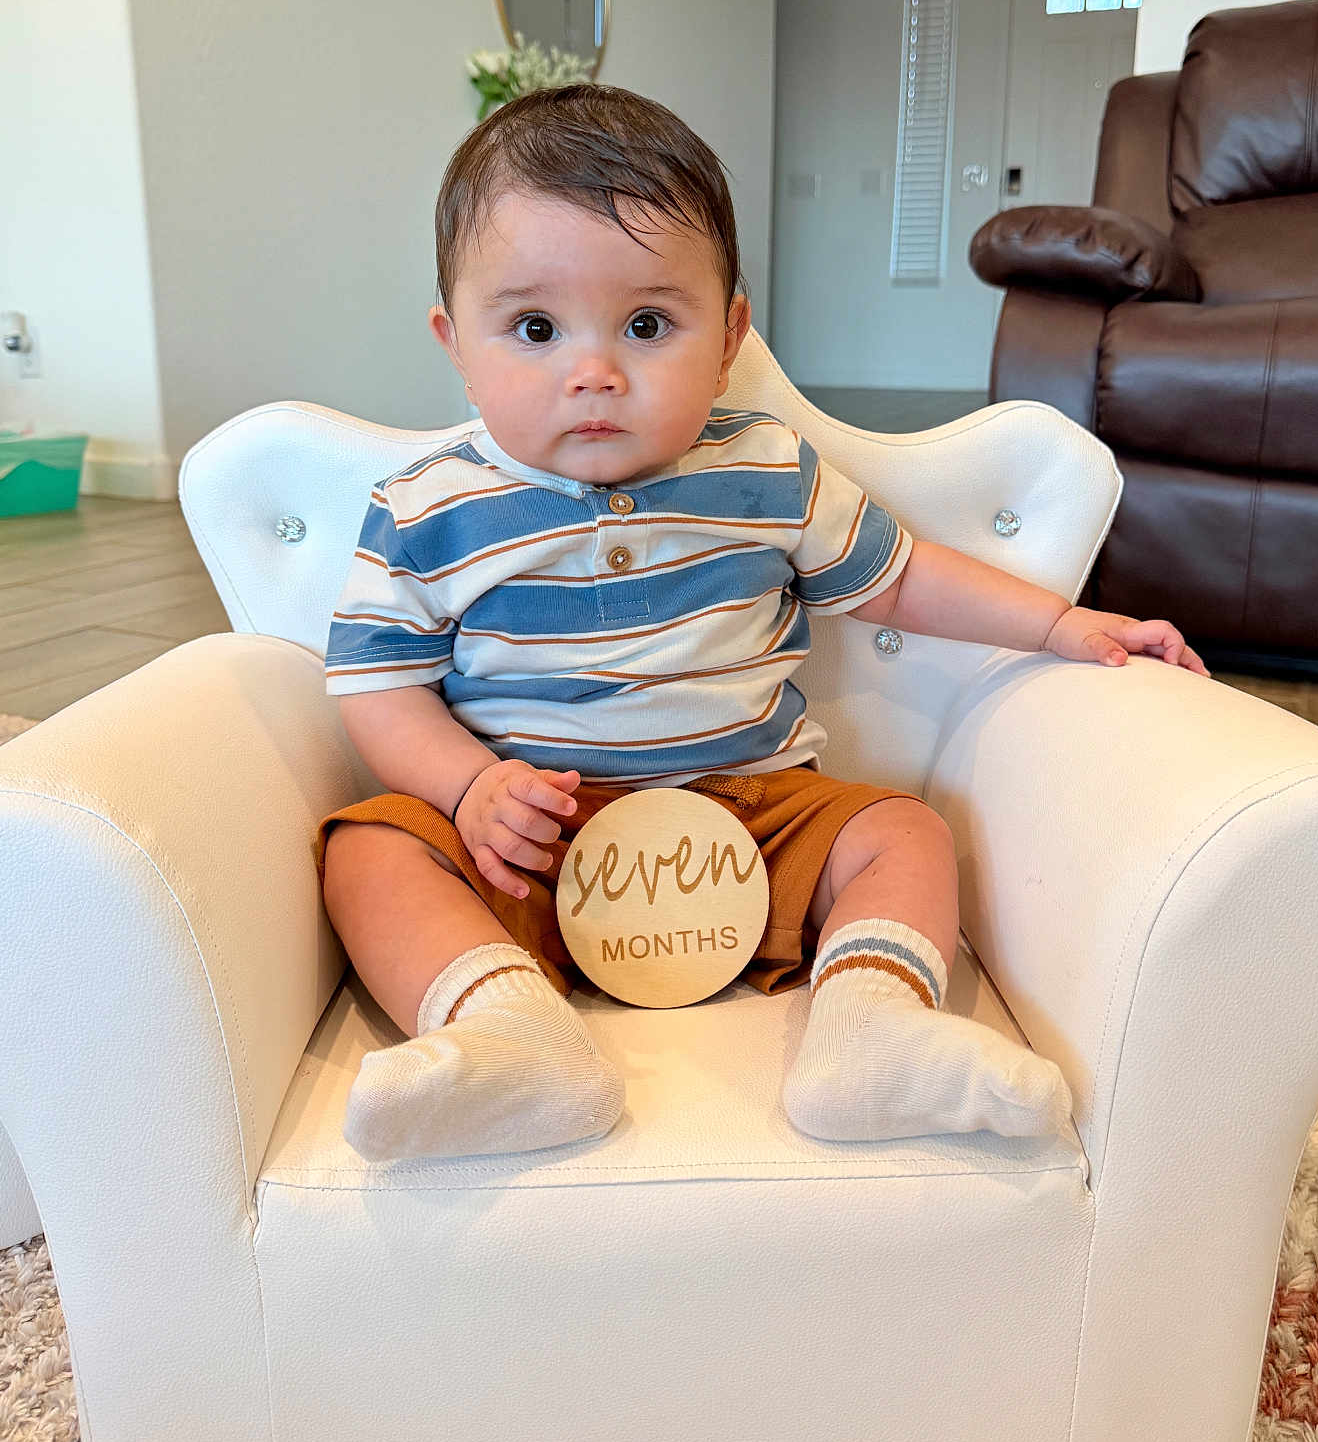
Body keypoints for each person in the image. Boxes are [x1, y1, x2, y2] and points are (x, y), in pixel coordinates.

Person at [315, 84, 1209, 1165]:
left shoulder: (766, 471)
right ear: (457, 342)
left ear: (729, 332)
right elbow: (377, 683)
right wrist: (466, 788)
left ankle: (871, 1035)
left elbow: (902, 580)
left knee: (905, 833)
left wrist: (1062, 625)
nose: (593, 370)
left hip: (751, 814)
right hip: (531, 835)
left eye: (648, 324)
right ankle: (511, 1041)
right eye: (536, 328)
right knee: (368, 853)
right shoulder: (426, 509)